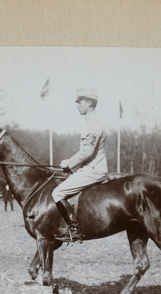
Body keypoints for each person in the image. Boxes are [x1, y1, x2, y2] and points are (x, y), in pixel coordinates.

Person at [53, 88, 109, 242]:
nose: (77, 105)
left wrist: (69, 163)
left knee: (57, 193)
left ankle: (74, 229)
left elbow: (88, 152)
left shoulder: (95, 125)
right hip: (88, 168)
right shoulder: (90, 123)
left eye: (80, 101)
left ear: (89, 103)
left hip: (94, 170)